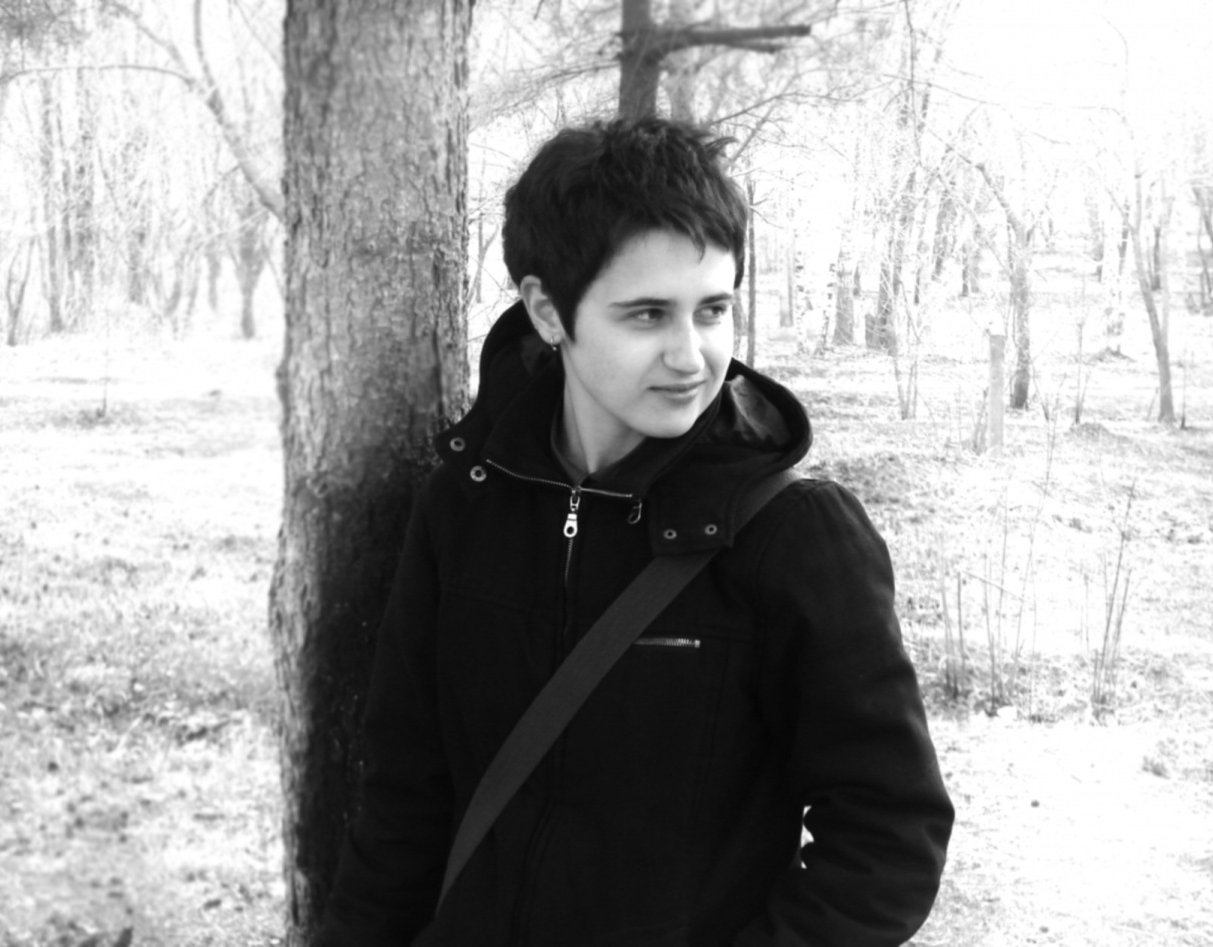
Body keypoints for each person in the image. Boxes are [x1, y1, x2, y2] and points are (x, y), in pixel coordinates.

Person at [316, 117, 953, 947]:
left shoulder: (792, 535)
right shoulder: (466, 503)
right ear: (548, 310)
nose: (691, 356)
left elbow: (888, 836)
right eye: (648, 315)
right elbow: (405, 795)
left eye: (713, 310)